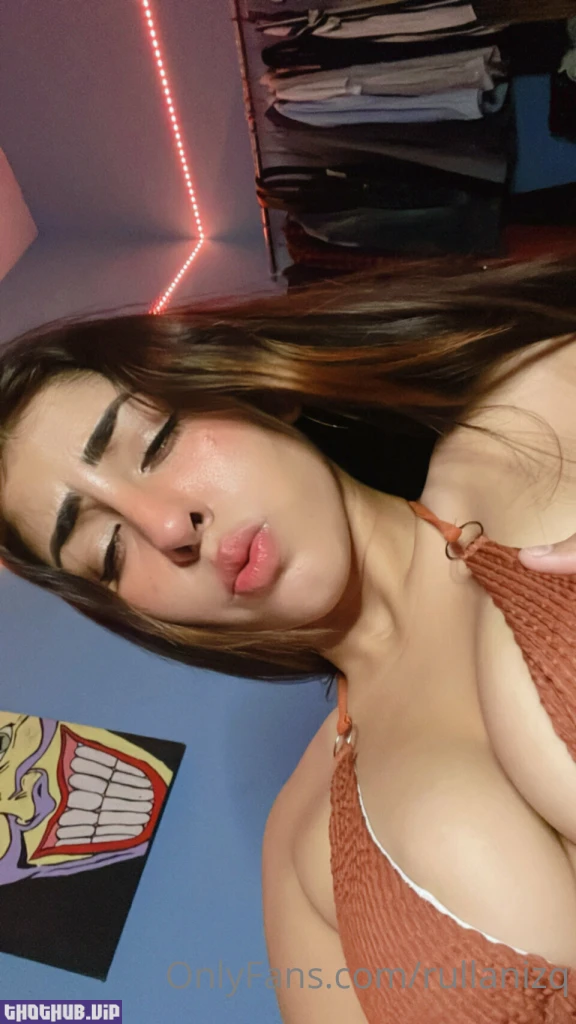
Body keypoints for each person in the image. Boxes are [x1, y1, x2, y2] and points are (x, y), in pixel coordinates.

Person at [2, 257, 576, 1021]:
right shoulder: (304, 854)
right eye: (108, 551)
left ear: (255, 391)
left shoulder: (536, 420)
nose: (169, 526)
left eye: (158, 441)